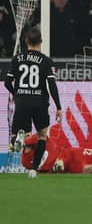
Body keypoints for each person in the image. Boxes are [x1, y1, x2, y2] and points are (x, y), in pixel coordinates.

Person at [4, 28, 63, 179]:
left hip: (22, 101)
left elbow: (7, 82)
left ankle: (18, 140)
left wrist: (16, 94)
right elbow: (52, 85)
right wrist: (58, 107)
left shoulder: (17, 59)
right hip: (40, 103)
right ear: (41, 42)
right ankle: (34, 169)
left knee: (16, 133)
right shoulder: (45, 60)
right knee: (42, 136)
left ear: (26, 41)